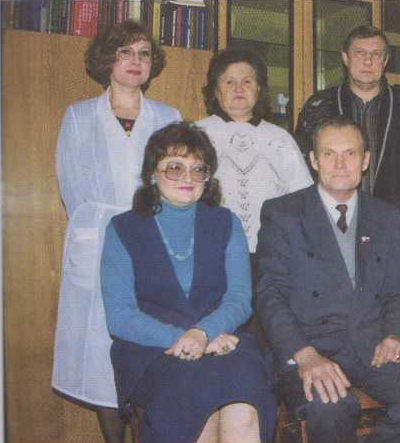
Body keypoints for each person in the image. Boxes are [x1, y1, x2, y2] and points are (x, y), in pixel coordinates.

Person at [257, 115, 400, 443]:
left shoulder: (385, 216)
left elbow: (399, 292)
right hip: (310, 344)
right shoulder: (284, 213)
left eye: (350, 153)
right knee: (330, 407)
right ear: (314, 160)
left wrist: (396, 334)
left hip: (372, 345)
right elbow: (269, 295)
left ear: (365, 160)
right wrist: (305, 354)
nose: (340, 164)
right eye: (329, 154)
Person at [100, 122, 276, 443]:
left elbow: (239, 299)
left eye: (198, 168)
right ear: (152, 173)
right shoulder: (122, 229)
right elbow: (120, 317)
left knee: (245, 398)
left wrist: (203, 334)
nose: (188, 177)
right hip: (152, 349)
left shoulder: (226, 223)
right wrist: (187, 340)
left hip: (222, 340)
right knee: (194, 397)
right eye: (175, 167)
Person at [52, 20, 181, 443]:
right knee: (100, 356)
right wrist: (114, 231)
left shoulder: (169, 118)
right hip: (98, 248)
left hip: (155, 246)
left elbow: (179, 186)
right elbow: (74, 193)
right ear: (107, 59)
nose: (135, 61)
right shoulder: (79, 116)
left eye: (144, 53)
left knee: (149, 351)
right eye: (125, 52)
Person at [294, 25, 400, 216]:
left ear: (385, 60)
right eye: (359, 53)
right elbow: (299, 170)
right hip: (331, 221)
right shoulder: (318, 106)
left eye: (376, 54)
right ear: (345, 58)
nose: (368, 61)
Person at [196, 48, 312, 296]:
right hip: (210, 254)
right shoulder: (196, 134)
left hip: (270, 258)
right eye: (229, 82)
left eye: (247, 81)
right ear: (215, 90)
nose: (239, 88)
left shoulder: (280, 138)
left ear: (259, 89)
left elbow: (302, 200)